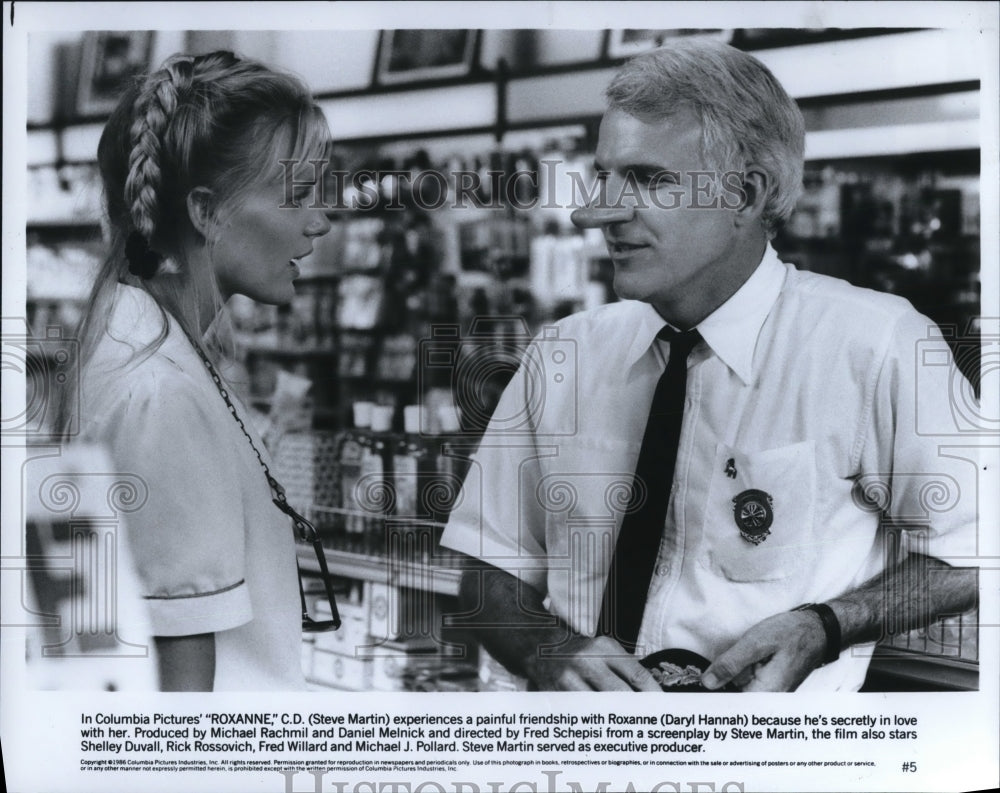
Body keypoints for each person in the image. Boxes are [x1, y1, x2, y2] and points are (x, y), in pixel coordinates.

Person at [440, 38, 979, 692]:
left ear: (746, 195)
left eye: (648, 179)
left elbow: (974, 549)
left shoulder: (875, 344)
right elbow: (486, 571)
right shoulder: (564, 354)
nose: (599, 211)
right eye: (603, 174)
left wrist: (828, 623)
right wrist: (547, 650)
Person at [60, 50, 333, 690]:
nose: (320, 221)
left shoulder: (142, 340)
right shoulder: (161, 390)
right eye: (297, 194)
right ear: (207, 211)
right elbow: (183, 696)